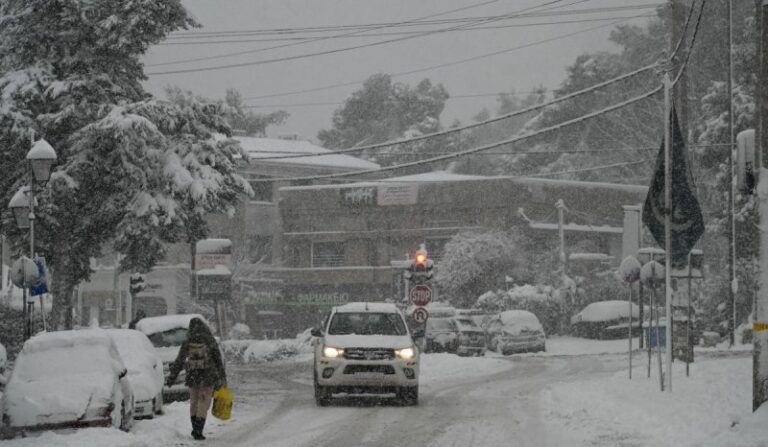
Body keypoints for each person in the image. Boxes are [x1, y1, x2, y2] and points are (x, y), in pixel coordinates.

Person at [166, 318, 227, 441]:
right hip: (207, 376)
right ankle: (198, 430)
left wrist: (172, 377)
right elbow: (218, 360)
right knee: (203, 403)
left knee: (194, 402)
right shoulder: (209, 340)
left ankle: (195, 428)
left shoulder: (188, 340)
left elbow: (180, 360)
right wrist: (222, 377)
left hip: (193, 376)